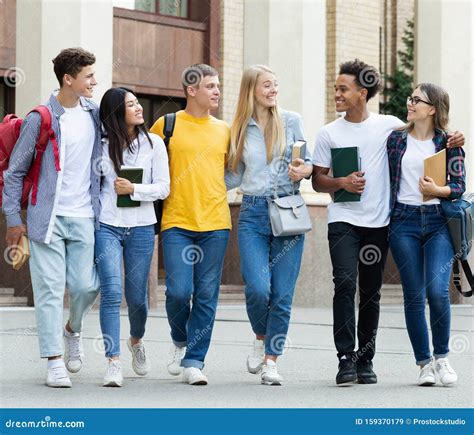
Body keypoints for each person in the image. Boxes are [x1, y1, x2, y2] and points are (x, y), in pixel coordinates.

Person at [311, 59, 464, 386]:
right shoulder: (335, 133)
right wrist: (342, 183)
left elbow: (439, 149)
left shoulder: (392, 127)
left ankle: (371, 358)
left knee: (378, 292)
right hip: (355, 220)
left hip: (391, 222)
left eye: (343, 88)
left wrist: (454, 139)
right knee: (346, 284)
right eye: (336, 88)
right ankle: (348, 358)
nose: (336, 93)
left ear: (362, 93)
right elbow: (317, 181)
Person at [2, 47, 101, 387]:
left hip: (85, 216)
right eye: (88, 76)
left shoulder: (95, 114)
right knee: (48, 291)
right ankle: (54, 360)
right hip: (48, 217)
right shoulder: (40, 117)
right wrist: (13, 218)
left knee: (86, 286)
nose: (94, 81)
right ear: (68, 79)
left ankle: (72, 329)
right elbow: (14, 172)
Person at [225, 65, 313, 385]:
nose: (273, 90)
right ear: (251, 89)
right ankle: (261, 336)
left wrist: (301, 171)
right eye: (266, 85)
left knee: (282, 294)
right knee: (258, 287)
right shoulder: (238, 128)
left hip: (287, 208)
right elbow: (233, 176)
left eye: (275, 84)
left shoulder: (291, 120)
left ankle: (271, 361)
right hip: (252, 212)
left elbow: (308, 161)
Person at [150, 64, 231, 386]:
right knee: (179, 291)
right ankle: (179, 337)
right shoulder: (165, 126)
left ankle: (195, 360)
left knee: (207, 294)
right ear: (191, 90)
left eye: (218, 86)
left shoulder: (224, 129)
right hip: (176, 221)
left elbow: (234, 170)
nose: (216, 91)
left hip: (216, 222)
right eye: (210, 86)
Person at [387, 83, 465, 386]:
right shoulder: (395, 140)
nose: (410, 103)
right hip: (403, 221)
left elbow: (458, 186)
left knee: (437, 291)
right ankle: (424, 364)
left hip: (437, 222)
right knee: (414, 295)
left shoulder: (449, 143)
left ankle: (442, 357)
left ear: (432, 108)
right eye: (410, 98)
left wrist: (437, 190)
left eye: (416, 100)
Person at [96, 87, 170, 387]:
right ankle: (113, 361)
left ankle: (135, 340)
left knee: (137, 297)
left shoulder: (154, 144)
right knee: (112, 292)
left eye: (139, 102)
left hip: (141, 227)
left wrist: (135, 190)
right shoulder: (100, 144)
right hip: (108, 225)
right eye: (131, 104)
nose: (139, 108)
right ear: (116, 112)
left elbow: (164, 187)